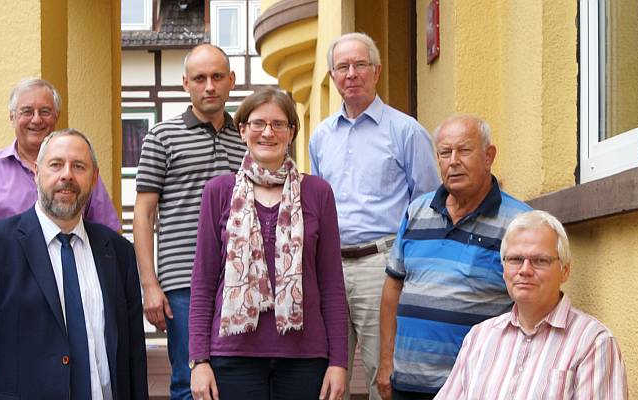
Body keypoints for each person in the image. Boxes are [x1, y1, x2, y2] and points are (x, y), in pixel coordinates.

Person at [0, 129, 148, 399]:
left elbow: (133, 358)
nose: (67, 175)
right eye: (56, 165)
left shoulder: (118, 253)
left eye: (79, 166)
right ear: (36, 172)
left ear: (94, 178)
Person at [189, 88, 348, 400]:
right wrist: (198, 361)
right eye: (258, 123)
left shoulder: (317, 192)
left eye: (278, 124)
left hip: (305, 357)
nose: (267, 132)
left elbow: (331, 284)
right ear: (243, 129)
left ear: (291, 132)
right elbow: (204, 282)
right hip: (233, 355)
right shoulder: (218, 191)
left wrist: (339, 361)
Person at [309, 32, 440, 399]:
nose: (351, 74)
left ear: (377, 71)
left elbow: (427, 207)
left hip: (380, 266)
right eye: (342, 67)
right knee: (326, 371)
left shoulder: (406, 132)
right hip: (330, 267)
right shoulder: (320, 137)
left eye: (359, 65)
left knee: (383, 375)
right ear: (333, 76)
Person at [378, 115, 532, 399]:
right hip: (408, 383)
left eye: (464, 150)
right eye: (445, 153)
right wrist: (386, 361)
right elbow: (393, 288)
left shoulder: (519, 222)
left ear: (489, 156)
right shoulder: (416, 212)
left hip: (475, 385)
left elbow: (532, 304)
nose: (453, 161)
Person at [133, 44, 246, 400]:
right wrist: (150, 284)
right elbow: (143, 213)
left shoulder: (247, 139)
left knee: (236, 377)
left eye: (216, 77)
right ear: (185, 83)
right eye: (200, 78)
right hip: (183, 282)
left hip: (241, 279)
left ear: (231, 80)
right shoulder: (162, 137)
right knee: (188, 380)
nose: (209, 86)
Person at [436, 210, 628, 399]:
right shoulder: (479, 338)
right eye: (515, 259)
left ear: (565, 271)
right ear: (504, 269)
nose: (525, 270)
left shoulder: (593, 343)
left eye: (540, 260)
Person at [0, 77, 120, 238]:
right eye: (27, 111)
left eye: (45, 112)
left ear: (56, 116)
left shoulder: (78, 170)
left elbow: (108, 235)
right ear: (12, 118)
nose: (36, 120)